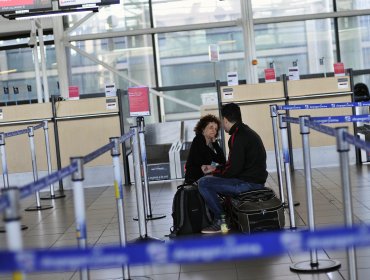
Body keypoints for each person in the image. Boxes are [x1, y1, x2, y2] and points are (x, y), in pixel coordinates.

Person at [198, 103, 268, 234]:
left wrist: (214, 172)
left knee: (204, 183)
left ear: (225, 120)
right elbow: (234, 165)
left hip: (249, 185)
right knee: (212, 179)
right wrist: (216, 168)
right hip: (255, 181)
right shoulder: (247, 132)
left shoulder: (238, 137)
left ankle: (221, 221)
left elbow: (232, 170)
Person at [184, 114, 226, 184]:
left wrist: (215, 143)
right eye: (211, 127)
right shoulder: (198, 139)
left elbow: (222, 160)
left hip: (201, 180)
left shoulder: (206, 147)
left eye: (216, 129)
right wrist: (212, 167)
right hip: (193, 181)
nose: (214, 130)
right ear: (203, 129)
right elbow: (200, 161)